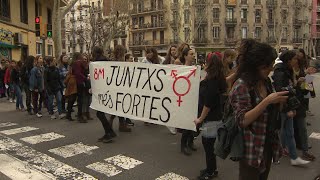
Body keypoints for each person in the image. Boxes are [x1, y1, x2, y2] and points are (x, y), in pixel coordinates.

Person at [230, 39, 289, 180]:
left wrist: (280, 102)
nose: (271, 69)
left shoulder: (265, 81)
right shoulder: (241, 85)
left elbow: (270, 112)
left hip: (268, 143)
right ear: (256, 66)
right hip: (251, 147)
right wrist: (267, 101)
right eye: (267, 66)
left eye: (271, 65)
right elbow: (242, 120)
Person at [273, 50, 311, 166]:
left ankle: (296, 155)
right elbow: (282, 90)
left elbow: (307, 88)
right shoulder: (281, 71)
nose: (297, 60)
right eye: (295, 58)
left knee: (292, 131)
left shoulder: (300, 70)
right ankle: (277, 155)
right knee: (280, 131)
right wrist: (288, 108)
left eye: (298, 58)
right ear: (289, 60)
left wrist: (302, 85)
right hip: (285, 106)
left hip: (296, 103)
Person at [194, 53, 227, 179]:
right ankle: (210, 168)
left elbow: (208, 103)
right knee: (209, 145)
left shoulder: (212, 80)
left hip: (210, 118)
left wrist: (200, 119)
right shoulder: (216, 77)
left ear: (209, 64)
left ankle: (211, 171)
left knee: (208, 146)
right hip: (214, 116)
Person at [175, 48, 197, 156]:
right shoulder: (181, 69)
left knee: (192, 122)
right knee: (186, 124)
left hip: (193, 99)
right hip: (184, 100)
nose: (193, 56)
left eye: (194, 54)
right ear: (185, 56)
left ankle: (190, 142)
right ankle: (183, 146)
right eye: (191, 54)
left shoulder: (195, 69)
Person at [92, 46, 116, 143]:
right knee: (100, 112)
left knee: (100, 113)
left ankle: (108, 133)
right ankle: (110, 132)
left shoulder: (98, 62)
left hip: (101, 90)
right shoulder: (106, 61)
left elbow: (100, 77)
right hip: (106, 89)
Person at [72, 52, 87, 123]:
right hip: (80, 82)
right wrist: (85, 78)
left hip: (78, 82)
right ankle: (80, 115)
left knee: (78, 99)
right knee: (80, 99)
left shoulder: (75, 63)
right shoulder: (78, 63)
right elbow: (78, 73)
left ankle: (78, 114)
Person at [82, 53, 93, 120]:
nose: (85, 60)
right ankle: (83, 113)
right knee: (84, 100)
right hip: (84, 85)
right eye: (83, 59)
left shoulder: (89, 66)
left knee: (89, 100)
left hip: (89, 84)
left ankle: (87, 112)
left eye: (86, 59)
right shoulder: (81, 67)